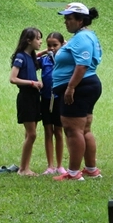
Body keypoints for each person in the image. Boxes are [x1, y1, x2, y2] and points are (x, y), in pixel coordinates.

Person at [51, 2, 103, 181]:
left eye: (69, 18)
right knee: (84, 129)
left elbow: (82, 65)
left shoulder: (82, 38)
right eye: (65, 18)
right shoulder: (86, 36)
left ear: (81, 21)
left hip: (79, 87)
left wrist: (70, 88)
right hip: (88, 85)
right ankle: (91, 169)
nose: (66, 22)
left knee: (73, 130)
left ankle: (73, 173)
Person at [8, 27, 43, 176]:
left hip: (34, 97)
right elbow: (13, 78)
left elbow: (37, 56)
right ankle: (23, 169)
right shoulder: (21, 57)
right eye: (38, 39)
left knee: (29, 134)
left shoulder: (30, 56)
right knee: (32, 134)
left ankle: (26, 166)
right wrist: (32, 83)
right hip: (26, 97)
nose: (40, 41)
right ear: (29, 41)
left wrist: (48, 51)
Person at [38, 32, 66, 175]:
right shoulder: (44, 60)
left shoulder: (65, 59)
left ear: (62, 44)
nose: (52, 48)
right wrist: (44, 51)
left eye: (55, 45)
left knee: (58, 132)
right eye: (49, 45)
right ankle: (50, 165)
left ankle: (60, 165)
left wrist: (65, 48)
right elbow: (30, 59)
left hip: (59, 99)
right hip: (46, 98)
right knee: (48, 131)